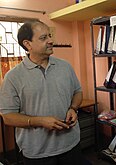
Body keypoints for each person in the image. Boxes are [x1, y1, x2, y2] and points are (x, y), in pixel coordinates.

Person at [0, 20, 83, 165]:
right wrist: (40, 121)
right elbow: (8, 117)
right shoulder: (13, 77)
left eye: (49, 36)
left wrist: (73, 108)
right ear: (28, 44)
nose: (51, 40)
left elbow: (77, 92)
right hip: (37, 152)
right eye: (43, 38)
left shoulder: (65, 66)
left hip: (71, 145)